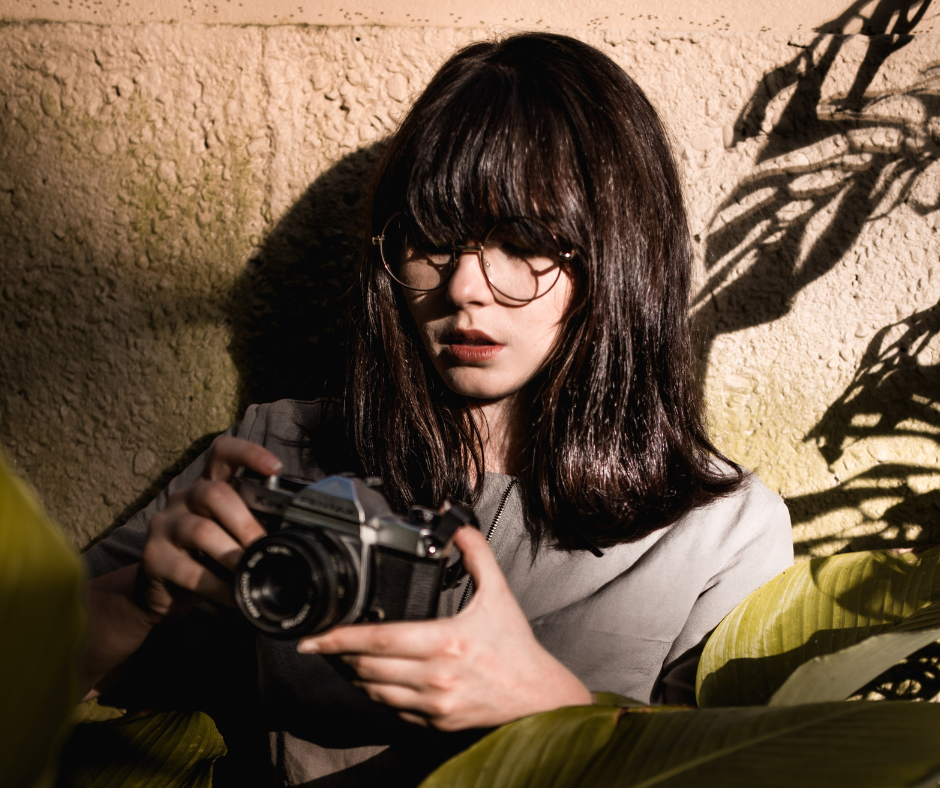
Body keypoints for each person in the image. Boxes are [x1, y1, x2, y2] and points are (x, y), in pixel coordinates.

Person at [81, 32, 793, 786]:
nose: (464, 288)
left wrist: (547, 710)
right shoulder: (279, 451)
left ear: (618, 254)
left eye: (523, 242)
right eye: (430, 239)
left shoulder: (719, 534)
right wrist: (140, 598)